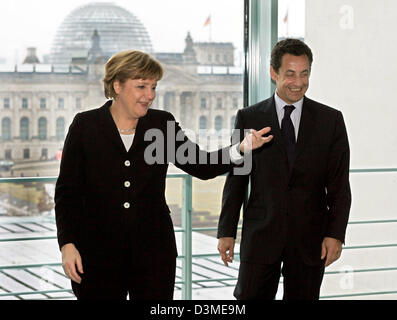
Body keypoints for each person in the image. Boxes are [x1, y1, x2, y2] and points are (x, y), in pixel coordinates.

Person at [55, 50, 272, 300]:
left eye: (153, 87)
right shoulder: (85, 125)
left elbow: (202, 165)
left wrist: (241, 148)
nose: (150, 95)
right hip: (96, 255)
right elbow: (67, 193)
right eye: (141, 86)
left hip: (153, 255)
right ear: (117, 85)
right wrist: (67, 244)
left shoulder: (160, 124)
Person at [217, 38, 351, 300]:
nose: (298, 82)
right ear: (273, 73)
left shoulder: (331, 120)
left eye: (304, 73)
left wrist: (335, 234)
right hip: (261, 237)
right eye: (290, 74)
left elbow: (339, 185)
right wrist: (226, 231)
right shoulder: (249, 117)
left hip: (310, 240)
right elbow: (237, 180)